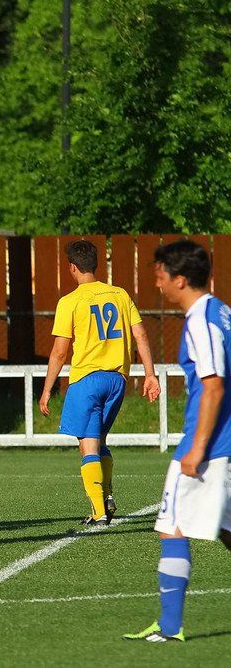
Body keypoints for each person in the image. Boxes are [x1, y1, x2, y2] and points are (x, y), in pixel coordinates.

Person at [124, 240, 231, 643]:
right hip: (224, 440)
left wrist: (198, 447)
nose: (158, 284)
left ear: (180, 279)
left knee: (173, 526)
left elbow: (214, 386)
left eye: (160, 276)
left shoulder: (202, 319)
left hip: (211, 443)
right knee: (225, 530)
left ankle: (170, 628)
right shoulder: (223, 312)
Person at [39, 240, 160, 524]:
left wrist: (46, 389)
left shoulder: (70, 301)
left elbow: (59, 351)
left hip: (87, 380)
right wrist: (150, 374)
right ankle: (106, 496)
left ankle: (98, 511)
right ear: (95, 265)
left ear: (72, 267)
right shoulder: (119, 294)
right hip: (117, 380)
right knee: (100, 439)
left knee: (88, 445)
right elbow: (141, 335)